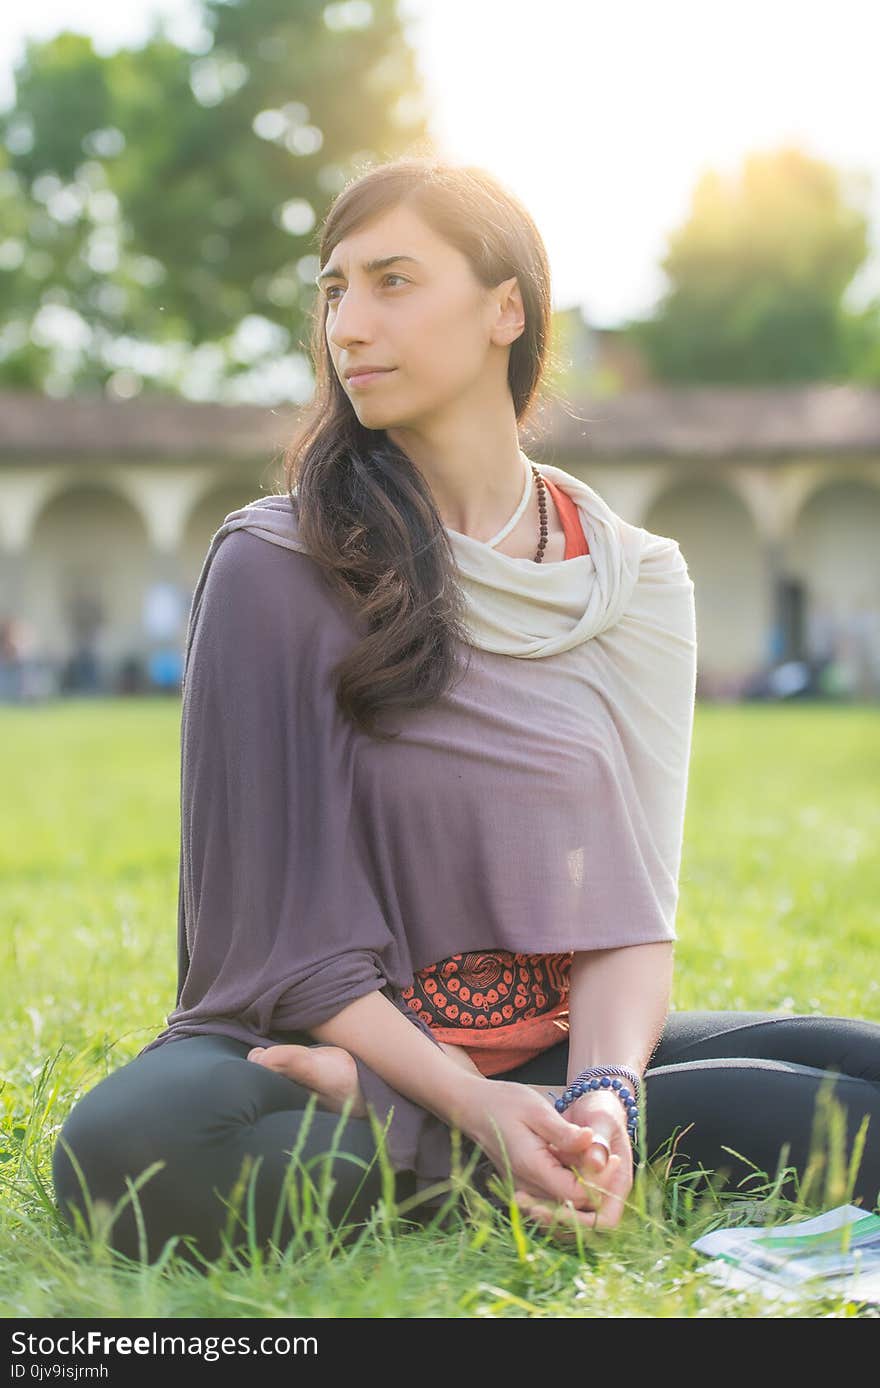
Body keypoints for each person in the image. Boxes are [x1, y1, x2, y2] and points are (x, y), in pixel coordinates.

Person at [52, 157, 880, 1268]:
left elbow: (629, 912)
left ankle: (571, 1152)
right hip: (315, 1052)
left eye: (393, 280)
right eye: (335, 289)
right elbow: (279, 940)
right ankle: (477, 1149)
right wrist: (452, 1100)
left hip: (533, 1053)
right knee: (127, 1149)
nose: (349, 324)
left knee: (856, 1071)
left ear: (507, 308)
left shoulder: (633, 579)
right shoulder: (274, 562)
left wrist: (604, 1096)